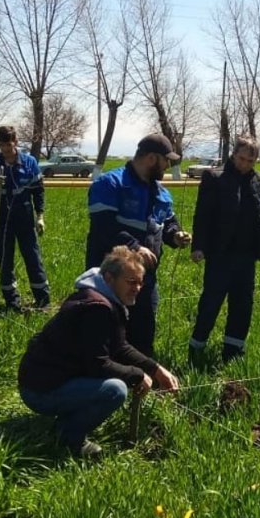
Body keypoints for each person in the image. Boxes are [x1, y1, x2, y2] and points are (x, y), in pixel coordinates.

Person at [18, 246, 179, 458]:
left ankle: (67, 420)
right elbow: (98, 364)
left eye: (140, 282)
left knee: (116, 382)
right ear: (110, 278)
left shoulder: (98, 296)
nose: (138, 288)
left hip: (43, 379)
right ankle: (68, 437)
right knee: (115, 390)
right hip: (39, 391)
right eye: (131, 282)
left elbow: (119, 347)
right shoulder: (98, 310)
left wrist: (156, 369)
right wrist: (137, 375)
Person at [188, 135, 260, 365]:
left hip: (247, 256)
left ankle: (233, 352)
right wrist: (198, 247)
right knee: (211, 302)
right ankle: (197, 348)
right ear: (233, 154)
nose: (244, 164)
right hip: (219, 255)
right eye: (241, 158)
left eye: (250, 160)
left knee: (242, 305)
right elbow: (203, 216)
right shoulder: (214, 178)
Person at [85, 133, 191, 356]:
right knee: (106, 330)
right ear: (152, 158)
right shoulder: (111, 184)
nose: (168, 165)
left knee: (143, 330)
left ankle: (141, 379)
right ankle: (106, 380)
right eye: (166, 160)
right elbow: (104, 227)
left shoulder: (162, 194)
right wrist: (134, 246)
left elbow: (168, 222)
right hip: (110, 278)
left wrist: (176, 235)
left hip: (145, 279)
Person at [0, 125, 50, 312]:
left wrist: (40, 215)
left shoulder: (29, 162)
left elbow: (38, 190)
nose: (5, 150)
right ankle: (13, 302)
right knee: (4, 257)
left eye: (8, 145)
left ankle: (43, 301)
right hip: (1, 214)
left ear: (16, 142)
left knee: (32, 256)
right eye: (1, 145)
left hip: (24, 214)